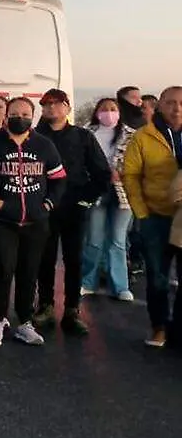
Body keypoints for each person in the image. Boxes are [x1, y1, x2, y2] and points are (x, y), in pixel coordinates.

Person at [0, 97, 66, 347]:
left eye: (25, 113)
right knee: (2, 270)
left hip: (36, 222)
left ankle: (25, 322)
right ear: (6, 115)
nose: (19, 117)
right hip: (2, 221)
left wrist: (48, 204)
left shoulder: (45, 146)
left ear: (33, 116)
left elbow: (59, 179)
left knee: (29, 272)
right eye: (14, 113)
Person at [31, 89, 111, 335]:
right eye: (47, 105)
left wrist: (86, 200)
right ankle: (44, 305)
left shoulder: (83, 136)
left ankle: (72, 309)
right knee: (43, 259)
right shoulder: (34, 137)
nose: (52, 109)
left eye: (57, 104)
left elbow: (101, 173)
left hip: (74, 208)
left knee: (73, 260)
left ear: (67, 107)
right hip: (44, 208)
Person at [123, 86, 182, 348]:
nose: (177, 108)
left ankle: (178, 329)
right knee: (157, 277)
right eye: (170, 102)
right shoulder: (144, 137)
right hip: (155, 216)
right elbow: (131, 176)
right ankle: (159, 327)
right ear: (160, 105)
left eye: (181, 103)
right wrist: (142, 213)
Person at [82, 97, 137, 302]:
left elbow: (139, 163)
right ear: (97, 112)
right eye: (104, 109)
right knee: (94, 240)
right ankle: (88, 282)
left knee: (118, 241)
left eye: (113, 109)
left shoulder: (131, 135)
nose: (109, 112)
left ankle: (120, 286)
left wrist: (121, 173)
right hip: (97, 192)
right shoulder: (87, 133)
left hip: (123, 193)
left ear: (119, 112)